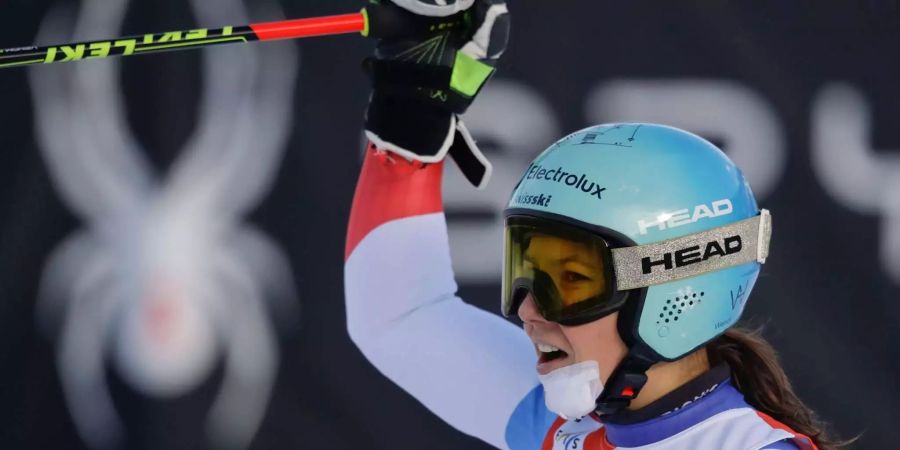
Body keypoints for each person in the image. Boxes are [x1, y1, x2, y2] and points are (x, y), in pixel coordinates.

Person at [345, 1, 843, 449]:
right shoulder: (564, 425)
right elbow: (401, 314)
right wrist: (408, 116)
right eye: (525, 269)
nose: (528, 311)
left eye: (572, 279)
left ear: (674, 294)